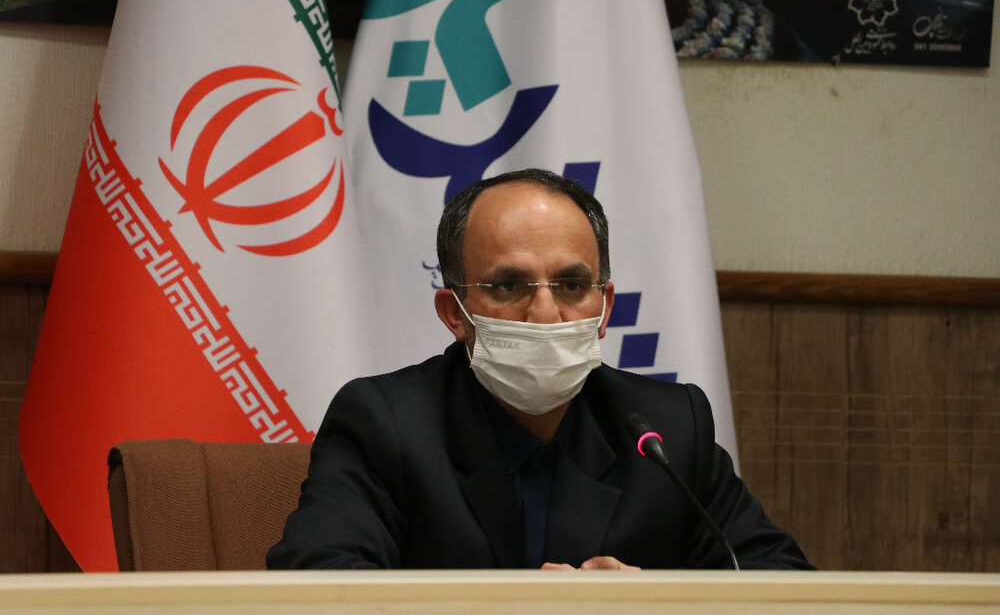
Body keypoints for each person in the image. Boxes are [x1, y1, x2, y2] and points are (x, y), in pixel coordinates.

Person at [267, 169, 812, 570]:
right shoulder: (385, 423)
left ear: (605, 309)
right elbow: (318, 583)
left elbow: (782, 582)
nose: (546, 313)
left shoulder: (666, 430)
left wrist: (652, 605)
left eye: (572, 285)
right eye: (509, 286)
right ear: (455, 314)